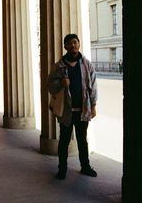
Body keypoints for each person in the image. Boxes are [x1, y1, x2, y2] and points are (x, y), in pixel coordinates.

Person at [47, 34, 98, 179]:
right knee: (64, 141)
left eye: (75, 42)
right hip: (66, 111)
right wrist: (60, 84)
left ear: (79, 44)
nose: (72, 45)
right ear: (65, 47)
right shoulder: (59, 66)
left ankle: (85, 166)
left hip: (82, 109)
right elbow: (50, 85)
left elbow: (93, 87)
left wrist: (93, 105)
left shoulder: (86, 64)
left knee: (82, 140)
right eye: (69, 43)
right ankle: (62, 169)